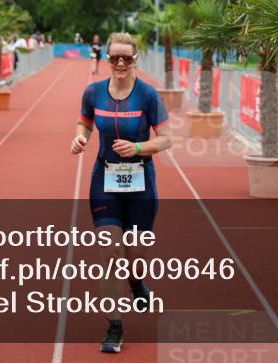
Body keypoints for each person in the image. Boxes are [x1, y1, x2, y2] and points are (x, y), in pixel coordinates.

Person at [71, 32, 172, 354]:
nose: (120, 63)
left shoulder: (147, 95)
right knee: (109, 255)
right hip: (105, 181)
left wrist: (139, 147)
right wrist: (80, 138)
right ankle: (114, 326)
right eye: (115, 57)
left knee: (135, 260)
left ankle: (136, 282)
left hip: (141, 183)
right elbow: (84, 123)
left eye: (126, 58)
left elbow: (166, 139)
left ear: (135, 60)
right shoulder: (93, 92)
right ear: (107, 59)